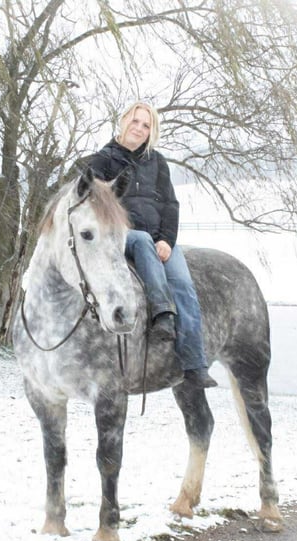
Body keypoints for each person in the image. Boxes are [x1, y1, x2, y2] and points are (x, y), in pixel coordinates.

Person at [88, 101, 216, 388]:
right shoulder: (103, 160)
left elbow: (170, 204)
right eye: (135, 121)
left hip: (157, 238)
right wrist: (116, 228)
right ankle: (163, 315)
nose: (139, 128)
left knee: (183, 284)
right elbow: (91, 203)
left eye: (146, 125)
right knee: (142, 240)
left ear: (151, 131)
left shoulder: (157, 162)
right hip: (119, 236)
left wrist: (167, 240)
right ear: (124, 121)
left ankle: (194, 364)